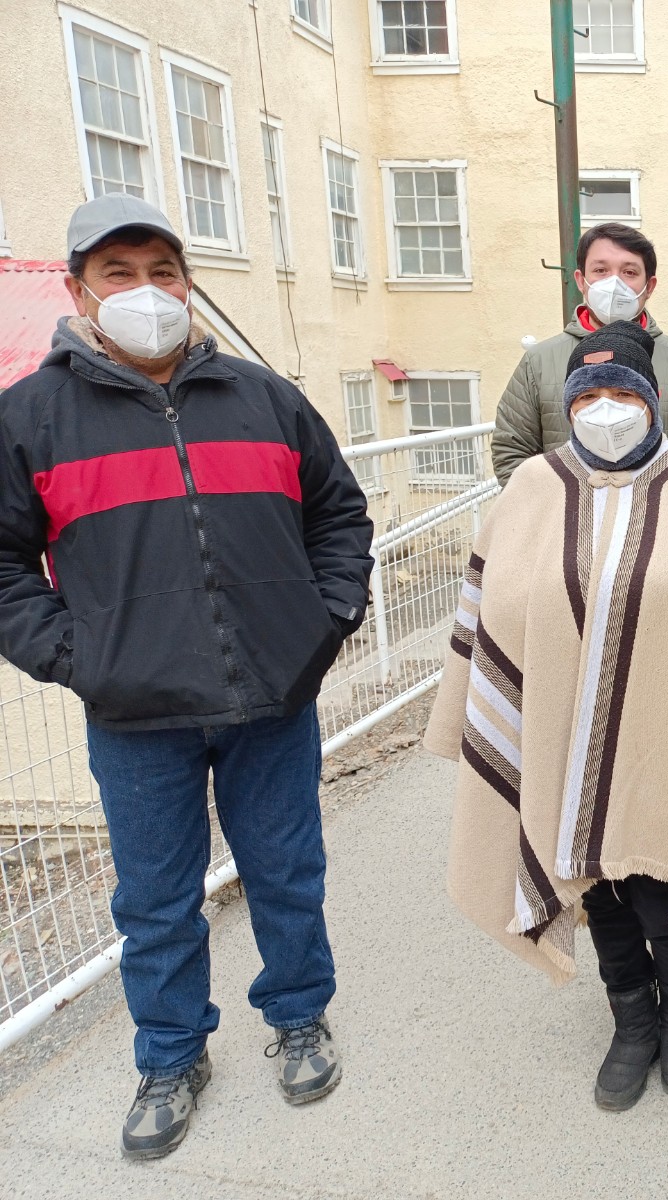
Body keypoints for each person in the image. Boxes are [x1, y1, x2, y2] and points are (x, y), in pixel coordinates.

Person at [0, 194, 373, 1158]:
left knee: (286, 875)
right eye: (118, 274)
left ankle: (298, 1018)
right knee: (155, 900)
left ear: (188, 282)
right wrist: (79, 658)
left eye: (162, 271)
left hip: (269, 699)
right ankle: (169, 1055)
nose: (145, 292)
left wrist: (322, 623)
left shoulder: (266, 397)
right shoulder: (32, 417)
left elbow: (339, 518)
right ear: (80, 290)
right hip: (137, 716)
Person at [426, 321, 668, 1112]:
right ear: (566, 407)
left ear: (653, 401)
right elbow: (491, 611)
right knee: (593, 878)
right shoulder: (529, 488)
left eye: (622, 393)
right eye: (588, 396)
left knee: (662, 875)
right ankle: (631, 1017)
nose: (606, 409)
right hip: (560, 732)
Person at [491, 221, 668, 486]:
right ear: (581, 280)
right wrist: (555, 509)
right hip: (567, 523)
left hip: (660, 524)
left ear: (649, 286)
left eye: (629, 272)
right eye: (600, 270)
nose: (614, 282)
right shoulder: (538, 363)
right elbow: (511, 453)